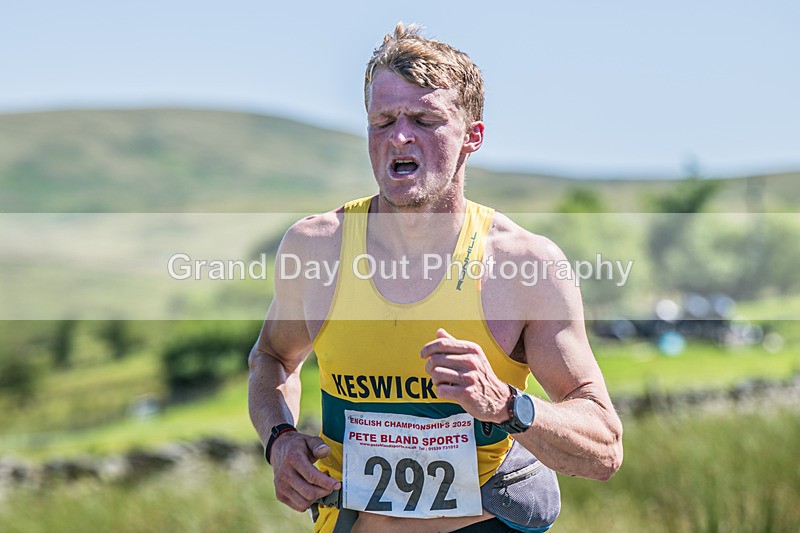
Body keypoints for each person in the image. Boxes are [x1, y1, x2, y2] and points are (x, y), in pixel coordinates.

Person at [248, 23, 623, 533]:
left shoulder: (525, 265)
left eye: (425, 119)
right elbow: (271, 358)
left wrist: (505, 405)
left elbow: (603, 447)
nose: (400, 136)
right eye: (383, 120)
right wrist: (280, 440)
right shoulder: (316, 248)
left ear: (472, 136)